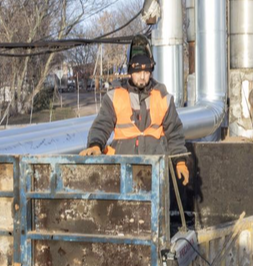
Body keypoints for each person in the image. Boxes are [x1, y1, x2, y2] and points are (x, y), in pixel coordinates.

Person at [79, 36, 189, 186]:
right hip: (123, 175)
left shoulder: (164, 97)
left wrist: (180, 161)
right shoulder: (114, 97)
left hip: (156, 174)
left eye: (146, 71)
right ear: (130, 71)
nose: (143, 76)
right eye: (138, 71)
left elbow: (175, 133)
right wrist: (95, 145)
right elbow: (101, 125)